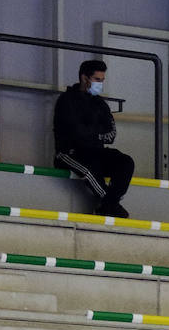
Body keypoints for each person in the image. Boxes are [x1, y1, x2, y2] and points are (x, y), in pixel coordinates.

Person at [53, 59, 134, 218]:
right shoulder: (66, 100)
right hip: (69, 153)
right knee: (89, 170)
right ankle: (111, 205)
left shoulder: (100, 104)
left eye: (102, 80)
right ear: (84, 78)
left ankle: (108, 205)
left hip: (95, 152)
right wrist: (95, 133)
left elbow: (111, 134)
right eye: (97, 80)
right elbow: (74, 133)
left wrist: (89, 133)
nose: (100, 84)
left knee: (126, 162)